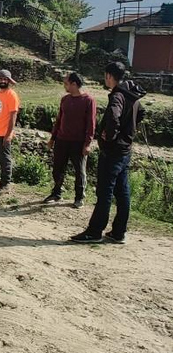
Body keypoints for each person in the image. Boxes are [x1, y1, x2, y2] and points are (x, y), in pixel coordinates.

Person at [70, 61, 146, 244]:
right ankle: (119, 232)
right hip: (125, 150)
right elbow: (141, 113)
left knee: (104, 192)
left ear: (109, 76)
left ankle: (95, 231)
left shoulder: (118, 95)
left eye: (106, 76)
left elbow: (113, 116)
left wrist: (109, 136)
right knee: (122, 192)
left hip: (112, 152)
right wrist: (129, 130)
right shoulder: (133, 96)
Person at [44, 72, 97, 208]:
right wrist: (52, 138)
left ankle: (79, 197)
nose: (64, 86)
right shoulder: (65, 99)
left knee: (79, 171)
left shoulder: (88, 100)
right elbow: (59, 120)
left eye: (66, 83)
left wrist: (87, 144)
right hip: (62, 140)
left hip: (78, 142)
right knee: (57, 169)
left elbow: (91, 124)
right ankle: (56, 192)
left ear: (74, 84)